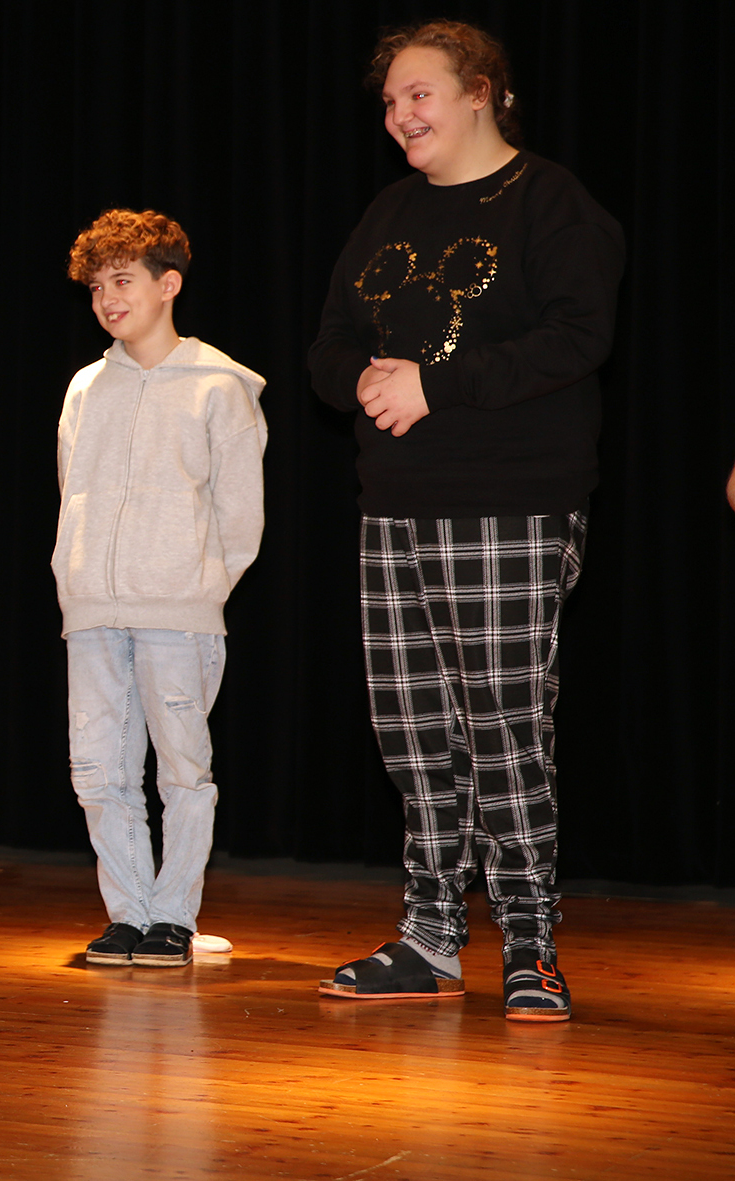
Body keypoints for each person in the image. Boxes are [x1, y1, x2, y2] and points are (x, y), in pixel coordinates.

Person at [307, 20, 624, 1022]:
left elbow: (578, 335)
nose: (400, 115)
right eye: (389, 102)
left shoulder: (550, 202)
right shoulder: (387, 211)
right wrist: (361, 379)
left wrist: (435, 384)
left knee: (501, 727)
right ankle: (431, 936)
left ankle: (530, 943)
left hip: (509, 500)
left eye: (419, 94)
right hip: (394, 505)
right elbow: (329, 344)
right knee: (412, 731)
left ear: (480, 91)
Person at [52, 209, 267, 970]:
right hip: (92, 610)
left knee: (182, 771)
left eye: (123, 281)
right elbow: (72, 492)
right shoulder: (87, 387)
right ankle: (129, 915)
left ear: (168, 285)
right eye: (96, 287)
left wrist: (196, 585)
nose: (108, 299)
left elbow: (241, 515)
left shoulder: (219, 386)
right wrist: (79, 576)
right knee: (98, 772)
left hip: (179, 612)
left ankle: (173, 915)